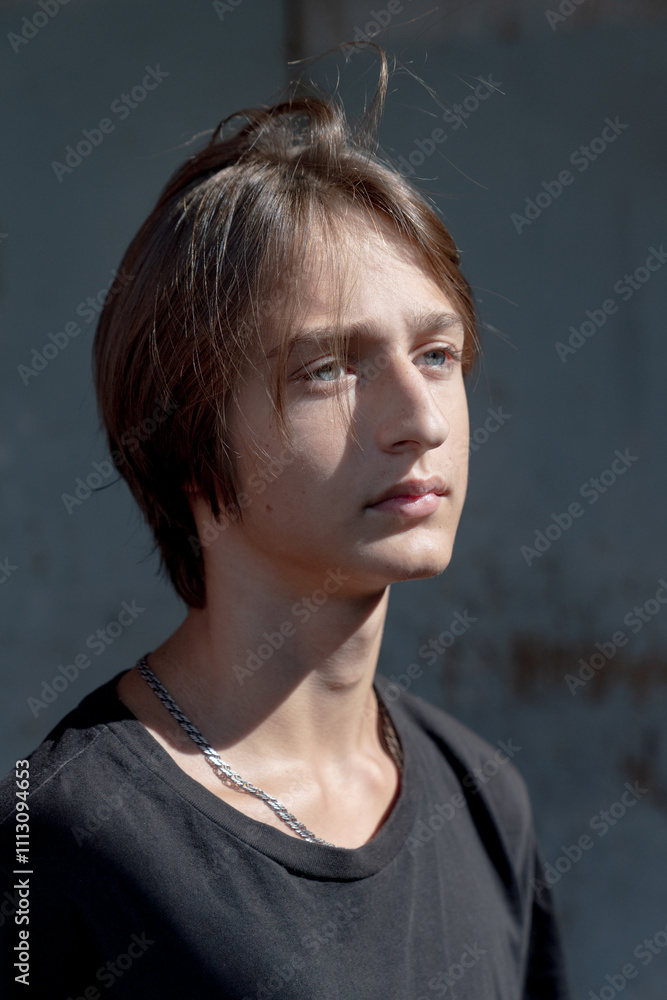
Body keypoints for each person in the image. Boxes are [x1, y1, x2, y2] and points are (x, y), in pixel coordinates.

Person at [0, 46, 571, 998]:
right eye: (327, 369)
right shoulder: (57, 838)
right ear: (187, 438)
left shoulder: (481, 804)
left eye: (436, 354)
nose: (420, 420)